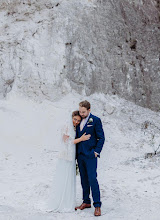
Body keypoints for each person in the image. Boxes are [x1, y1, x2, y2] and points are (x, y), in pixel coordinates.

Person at [47, 110, 91, 212]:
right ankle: (62, 202)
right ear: (71, 118)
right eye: (75, 119)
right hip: (65, 156)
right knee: (64, 177)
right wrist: (81, 139)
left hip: (71, 157)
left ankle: (68, 201)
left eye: (78, 120)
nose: (76, 122)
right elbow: (67, 142)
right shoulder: (67, 126)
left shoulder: (74, 128)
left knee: (69, 179)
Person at [75, 100, 105, 216]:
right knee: (83, 179)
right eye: (80, 111)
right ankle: (86, 201)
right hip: (80, 155)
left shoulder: (96, 120)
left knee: (92, 179)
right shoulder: (77, 120)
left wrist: (96, 152)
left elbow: (101, 138)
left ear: (89, 110)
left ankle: (97, 205)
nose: (81, 114)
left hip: (91, 155)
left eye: (83, 112)